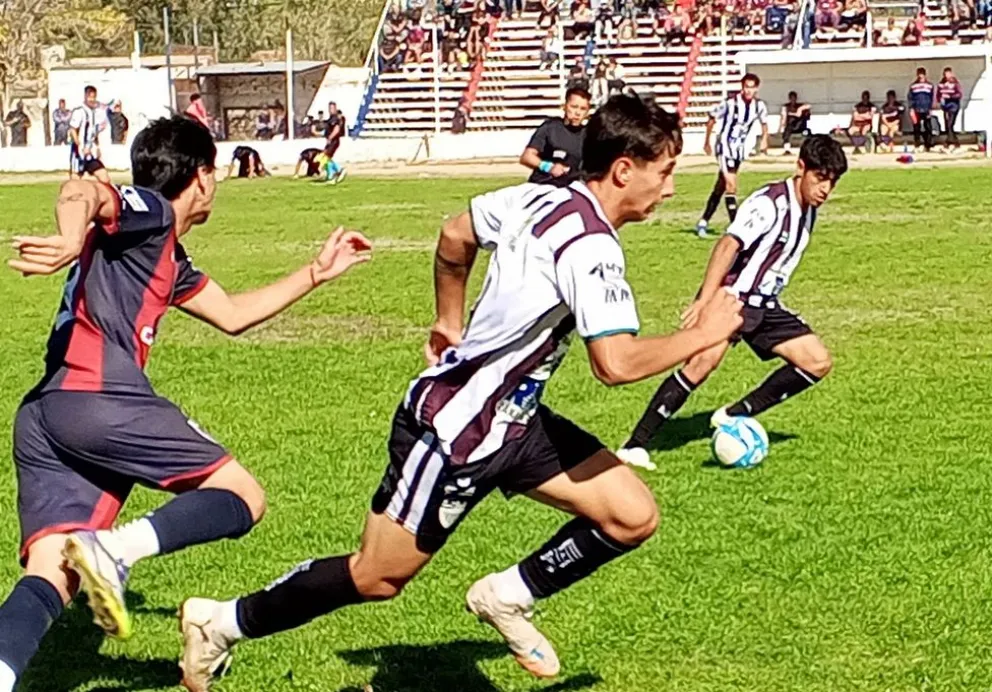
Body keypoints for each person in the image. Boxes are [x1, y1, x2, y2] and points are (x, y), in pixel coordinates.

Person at [176, 93, 745, 692]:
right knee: (377, 577)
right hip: (457, 432)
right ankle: (221, 623)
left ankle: (508, 596)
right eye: (667, 171)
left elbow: (454, 236)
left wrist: (449, 320)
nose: (673, 188)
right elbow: (615, 361)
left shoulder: (537, 197)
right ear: (625, 169)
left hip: (515, 421)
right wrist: (704, 334)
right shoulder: (591, 246)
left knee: (632, 515)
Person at [0, 116, 372, 692]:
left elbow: (233, 315)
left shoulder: (166, 256)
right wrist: (72, 236)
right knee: (242, 497)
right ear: (200, 178)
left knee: (52, 571)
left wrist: (315, 274)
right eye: (214, 172)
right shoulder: (149, 214)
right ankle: (115, 551)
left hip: (46, 415)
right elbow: (84, 190)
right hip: (98, 396)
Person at [617, 135, 847, 470]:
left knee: (816, 361)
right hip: (734, 300)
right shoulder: (769, 203)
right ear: (801, 168)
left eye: (832, 182)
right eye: (820, 178)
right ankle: (634, 445)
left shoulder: (809, 211)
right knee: (700, 365)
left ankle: (733, 414)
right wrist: (705, 299)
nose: (825, 189)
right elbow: (728, 245)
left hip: (766, 305)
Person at [697, 74, 770, 239]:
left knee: (721, 187)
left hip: (738, 151)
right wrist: (707, 141)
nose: (749, 90)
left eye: (752, 87)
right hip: (724, 147)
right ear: (742, 87)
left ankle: (703, 222)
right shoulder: (730, 104)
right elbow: (711, 118)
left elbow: (764, 124)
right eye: (746, 86)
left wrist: (765, 140)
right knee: (731, 186)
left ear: (757, 88)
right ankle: (737, 227)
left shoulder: (759, 106)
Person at [519, 87, 591, 185]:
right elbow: (527, 157)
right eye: (574, 107)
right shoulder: (550, 127)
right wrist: (549, 167)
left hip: (571, 189)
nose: (578, 113)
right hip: (542, 184)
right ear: (564, 106)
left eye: (583, 109)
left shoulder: (588, 135)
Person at [68, 86, 110, 183]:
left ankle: (87, 179)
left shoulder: (95, 113)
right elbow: (73, 129)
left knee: (104, 178)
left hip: (91, 153)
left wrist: (97, 147)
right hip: (80, 152)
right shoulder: (79, 111)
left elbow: (94, 133)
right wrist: (79, 145)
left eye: (94, 97)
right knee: (75, 180)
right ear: (85, 96)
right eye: (90, 97)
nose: (92, 100)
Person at [908, 66, 936, 152]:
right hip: (916, 109)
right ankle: (917, 144)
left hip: (926, 109)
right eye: (919, 74)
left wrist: (931, 108)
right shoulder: (913, 86)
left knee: (928, 127)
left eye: (922, 74)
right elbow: (910, 98)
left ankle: (928, 145)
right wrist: (911, 109)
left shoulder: (929, 85)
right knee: (917, 127)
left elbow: (932, 98)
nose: (920, 76)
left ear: (925, 75)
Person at [937, 66, 963, 151]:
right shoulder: (941, 84)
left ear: (951, 74)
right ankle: (954, 142)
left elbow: (959, 95)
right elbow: (938, 94)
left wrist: (950, 97)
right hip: (945, 107)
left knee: (950, 124)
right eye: (945, 74)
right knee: (947, 126)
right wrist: (939, 100)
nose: (947, 76)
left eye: (948, 74)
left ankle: (950, 142)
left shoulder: (955, 83)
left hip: (953, 106)